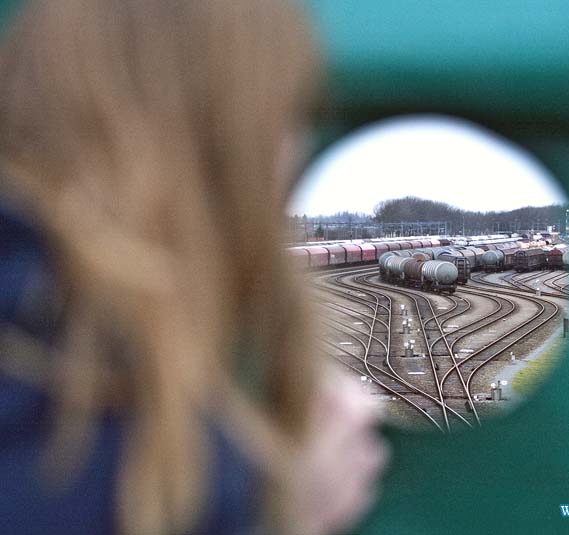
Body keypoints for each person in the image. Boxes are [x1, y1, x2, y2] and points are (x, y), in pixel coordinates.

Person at [0, 1, 387, 534]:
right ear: (218, 139)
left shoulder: (48, 337)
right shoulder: (85, 429)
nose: (292, 153)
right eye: (285, 118)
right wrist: (280, 517)